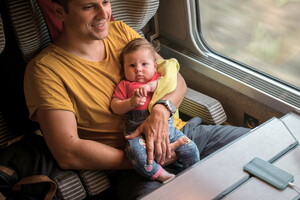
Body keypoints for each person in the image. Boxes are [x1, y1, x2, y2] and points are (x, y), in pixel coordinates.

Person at [24, 0, 250, 199]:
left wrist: (162, 110)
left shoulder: (121, 32)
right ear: (59, 11)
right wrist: (149, 158)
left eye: (105, 2)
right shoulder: (45, 70)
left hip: (183, 134)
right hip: (133, 164)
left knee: (260, 147)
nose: (103, 13)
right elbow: (68, 151)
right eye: (88, 6)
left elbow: (177, 81)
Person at [111, 38, 200, 183]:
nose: (138, 69)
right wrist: (130, 102)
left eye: (144, 64)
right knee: (136, 155)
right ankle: (161, 174)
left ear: (154, 65)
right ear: (124, 68)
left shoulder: (158, 79)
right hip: (137, 133)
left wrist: (151, 86)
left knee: (190, 148)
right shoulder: (125, 85)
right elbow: (115, 106)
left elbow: (171, 82)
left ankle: (192, 170)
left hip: (167, 128)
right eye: (131, 65)